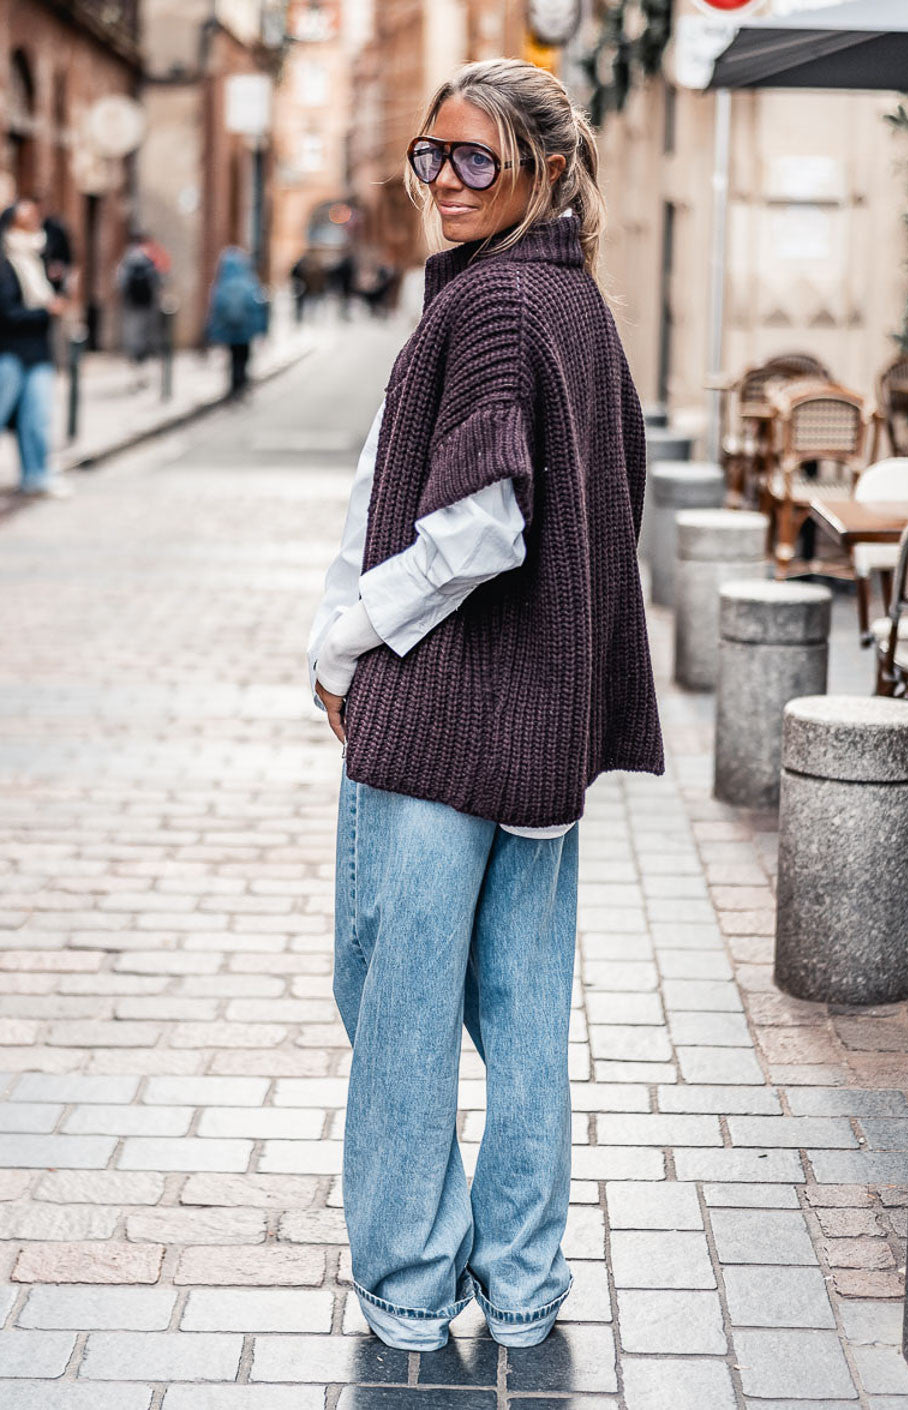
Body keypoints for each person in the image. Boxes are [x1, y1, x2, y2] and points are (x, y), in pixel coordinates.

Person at [306, 58, 663, 1354]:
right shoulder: (577, 305)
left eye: (477, 162)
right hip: (539, 738)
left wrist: (345, 641)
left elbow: (481, 529)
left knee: (393, 1006)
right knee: (522, 1017)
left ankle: (409, 1282)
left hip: (445, 722)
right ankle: (521, 1283)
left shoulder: (496, 305)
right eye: (432, 156)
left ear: (545, 172)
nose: (446, 184)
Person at [0, 196, 69, 497]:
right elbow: (6, 312)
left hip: (38, 351)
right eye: (25, 221)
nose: (33, 225)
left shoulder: (40, 258)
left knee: (37, 419)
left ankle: (36, 476)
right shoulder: (4, 263)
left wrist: (58, 288)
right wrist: (46, 311)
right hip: (8, 350)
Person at [205, 246, 269, 399]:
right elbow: (258, 306)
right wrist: (262, 328)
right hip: (246, 329)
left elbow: (216, 309)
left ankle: (234, 385)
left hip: (229, 330)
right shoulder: (250, 282)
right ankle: (241, 383)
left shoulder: (221, 285)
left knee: (233, 356)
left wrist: (211, 330)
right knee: (244, 356)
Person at [116, 232, 161, 390]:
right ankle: (143, 374)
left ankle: (136, 374)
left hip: (131, 305)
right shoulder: (149, 259)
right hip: (147, 305)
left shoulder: (127, 260)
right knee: (146, 338)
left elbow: (120, 281)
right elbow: (158, 280)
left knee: (133, 338)